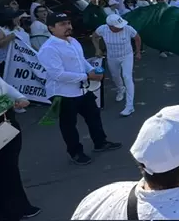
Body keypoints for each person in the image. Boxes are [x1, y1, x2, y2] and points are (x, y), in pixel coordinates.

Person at [38, 12, 122, 165]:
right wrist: (87, 76)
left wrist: (94, 71)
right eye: (62, 24)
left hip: (81, 89)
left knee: (93, 115)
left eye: (68, 23)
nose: (68, 26)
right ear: (51, 28)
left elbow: (81, 61)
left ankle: (100, 142)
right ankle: (75, 152)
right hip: (62, 93)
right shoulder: (48, 49)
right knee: (69, 125)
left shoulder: (73, 41)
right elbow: (58, 75)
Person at [0, 76, 40, 220]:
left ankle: (20, 206)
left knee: (10, 168)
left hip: (7, 123)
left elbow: (5, 86)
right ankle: (8, 211)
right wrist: (9, 102)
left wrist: (20, 97)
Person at [92, 14, 141, 117]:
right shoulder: (102, 29)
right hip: (112, 56)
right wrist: (97, 49)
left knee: (127, 77)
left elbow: (137, 38)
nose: (121, 27)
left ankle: (129, 106)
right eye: (118, 26)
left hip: (126, 56)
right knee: (115, 76)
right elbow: (94, 37)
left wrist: (138, 52)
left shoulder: (128, 29)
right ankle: (120, 89)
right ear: (110, 26)